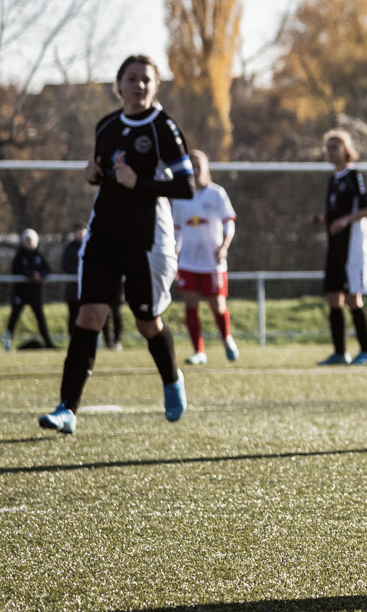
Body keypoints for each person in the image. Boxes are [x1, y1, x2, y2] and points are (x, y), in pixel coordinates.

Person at [38, 55, 195, 435]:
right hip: (103, 232)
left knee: (146, 323)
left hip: (146, 240)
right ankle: (67, 410)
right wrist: (94, 176)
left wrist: (139, 183)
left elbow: (186, 186)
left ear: (155, 87)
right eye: (132, 78)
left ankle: (171, 380)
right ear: (118, 84)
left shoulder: (164, 128)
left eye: (146, 80)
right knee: (88, 317)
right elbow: (107, 173)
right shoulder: (106, 126)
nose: (139, 85)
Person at [312, 129, 367, 366]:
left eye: (334, 147)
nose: (330, 152)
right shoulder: (333, 179)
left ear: (346, 150)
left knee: (353, 298)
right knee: (332, 297)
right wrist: (324, 218)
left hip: (353, 249)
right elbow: (337, 211)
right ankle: (340, 352)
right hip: (335, 249)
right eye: (327, 147)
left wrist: (345, 220)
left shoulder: (354, 176)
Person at [172, 150, 239, 364]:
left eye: (198, 165)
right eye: (191, 166)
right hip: (188, 261)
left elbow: (229, 222)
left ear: (206, 168)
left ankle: (226, 338)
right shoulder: (180, 197)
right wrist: (173, 256)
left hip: (212, 261)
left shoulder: (216, 193)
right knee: (191, 303)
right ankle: (199, 351)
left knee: (217, 305)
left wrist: (224, 247)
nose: (195, 170)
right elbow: (176, 230)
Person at [4, 230, 58, 350]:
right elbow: (16, 270)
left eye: (31, 241)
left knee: (41, 319)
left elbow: (47, 270)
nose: (29, 243)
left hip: (35, 293)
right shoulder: (19, 256)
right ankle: (6, 345)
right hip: (20, 293)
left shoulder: (39, 256)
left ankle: (49, 344)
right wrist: (30, 274)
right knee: (13, 320)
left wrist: (40, 275)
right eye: (27, 241)